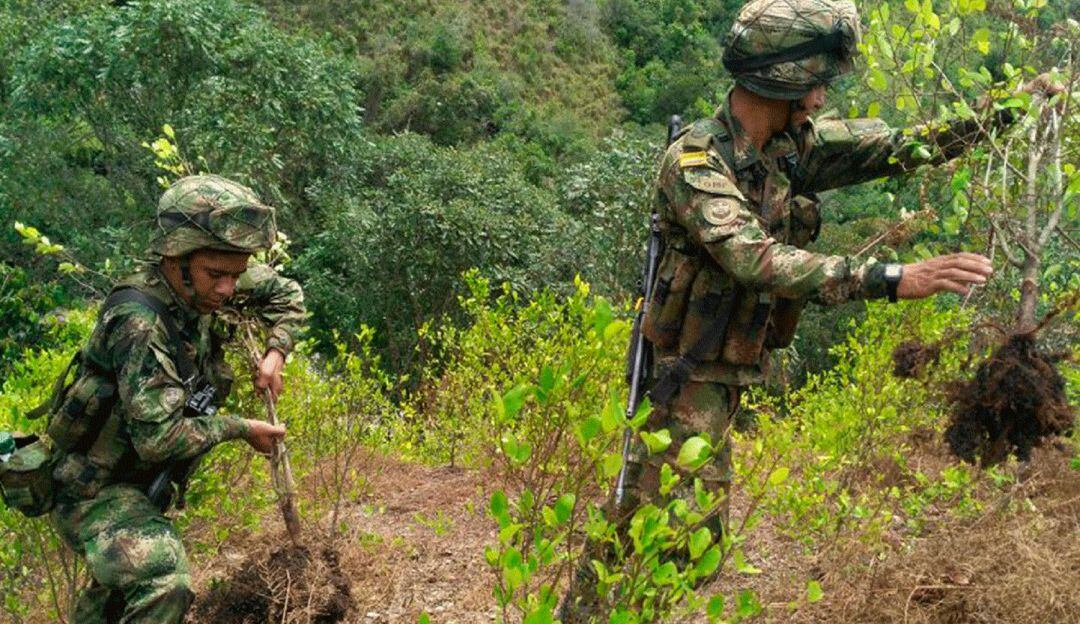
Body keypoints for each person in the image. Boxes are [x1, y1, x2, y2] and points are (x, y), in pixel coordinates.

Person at [559, 0, 1061, 619]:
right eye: (816, 82)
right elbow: (753, 258)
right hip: (685, 373)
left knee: (647, 510)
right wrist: (892, 277)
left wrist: (1012, 108)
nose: (823, 97)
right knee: (685, 533)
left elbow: (907, 147)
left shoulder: (793, 147)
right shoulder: (697, 163)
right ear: (783, 81)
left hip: (728, 365)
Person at [46, 174, 306, 623]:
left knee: (111, 603)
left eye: (236, 275)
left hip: (138, 484)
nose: (227, 290)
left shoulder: (206, 279)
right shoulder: (140, 323)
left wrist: (275, 352)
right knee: (163, 581)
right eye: (216, 275)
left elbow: (287, 294)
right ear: (175, 258)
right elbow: (158, 441)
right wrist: (241, 428)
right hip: (93, 489)